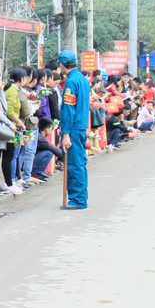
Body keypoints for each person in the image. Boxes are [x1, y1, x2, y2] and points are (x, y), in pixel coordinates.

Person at [59, 50, 91, 210]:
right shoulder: (83, 80)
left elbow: (69, 109)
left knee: (74, 163)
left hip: (73, 128)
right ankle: (80, 196)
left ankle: (78, 199)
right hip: (81, 125)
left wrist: (65, 134)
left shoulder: (71, 82)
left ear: (61, 65)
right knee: (80, 162)